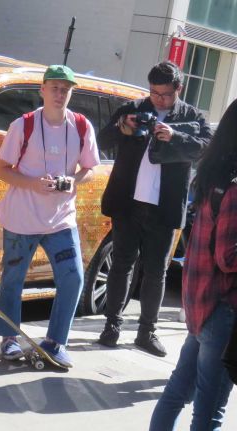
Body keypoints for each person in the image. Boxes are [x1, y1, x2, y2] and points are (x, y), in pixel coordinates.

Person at [97, 61, 212, 357]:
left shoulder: (192, 116)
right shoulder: (133, 108)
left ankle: (146, 331)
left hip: (164, 206)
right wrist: (124, 127)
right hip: (128, 202)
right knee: (121, 264)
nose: (158, 99)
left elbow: (205, 149)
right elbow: (102, 140)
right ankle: (111, 325)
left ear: (178, 89)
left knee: (156, 272)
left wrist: (174, 136)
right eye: (154, 93)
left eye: (164, 94)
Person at [0, 65, 100, 368]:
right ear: (42, 90)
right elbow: (2, 170)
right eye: (54, 87)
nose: (60, 94)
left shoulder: (80, 125)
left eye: (65, 89)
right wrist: (34, 184)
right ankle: (9, 338)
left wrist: (73, 182)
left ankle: (55, 341)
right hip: (21, 219)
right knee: (13, 278)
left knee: (73, 277)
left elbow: (91, 168)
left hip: (60, 220)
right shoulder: (23, 125)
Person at [148, 98, 237, 431]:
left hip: (201, 304)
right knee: (209, 413)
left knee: (176, 394)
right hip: (222, 309)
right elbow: (228, 258)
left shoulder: (213, 175)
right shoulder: (234, 186)